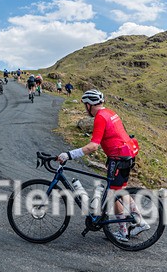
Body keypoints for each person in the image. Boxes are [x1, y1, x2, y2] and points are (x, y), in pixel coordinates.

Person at [56, 89, 148, 240]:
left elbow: (93, 146)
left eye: (85, 105)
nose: (85, 109)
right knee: (120, 192)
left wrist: (69, 154)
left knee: (114, 194)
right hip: (126, 155)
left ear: (89, 105)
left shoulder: (100, 117)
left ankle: (125, 231)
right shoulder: (110, 112)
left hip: (118, 158)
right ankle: (139, 221)